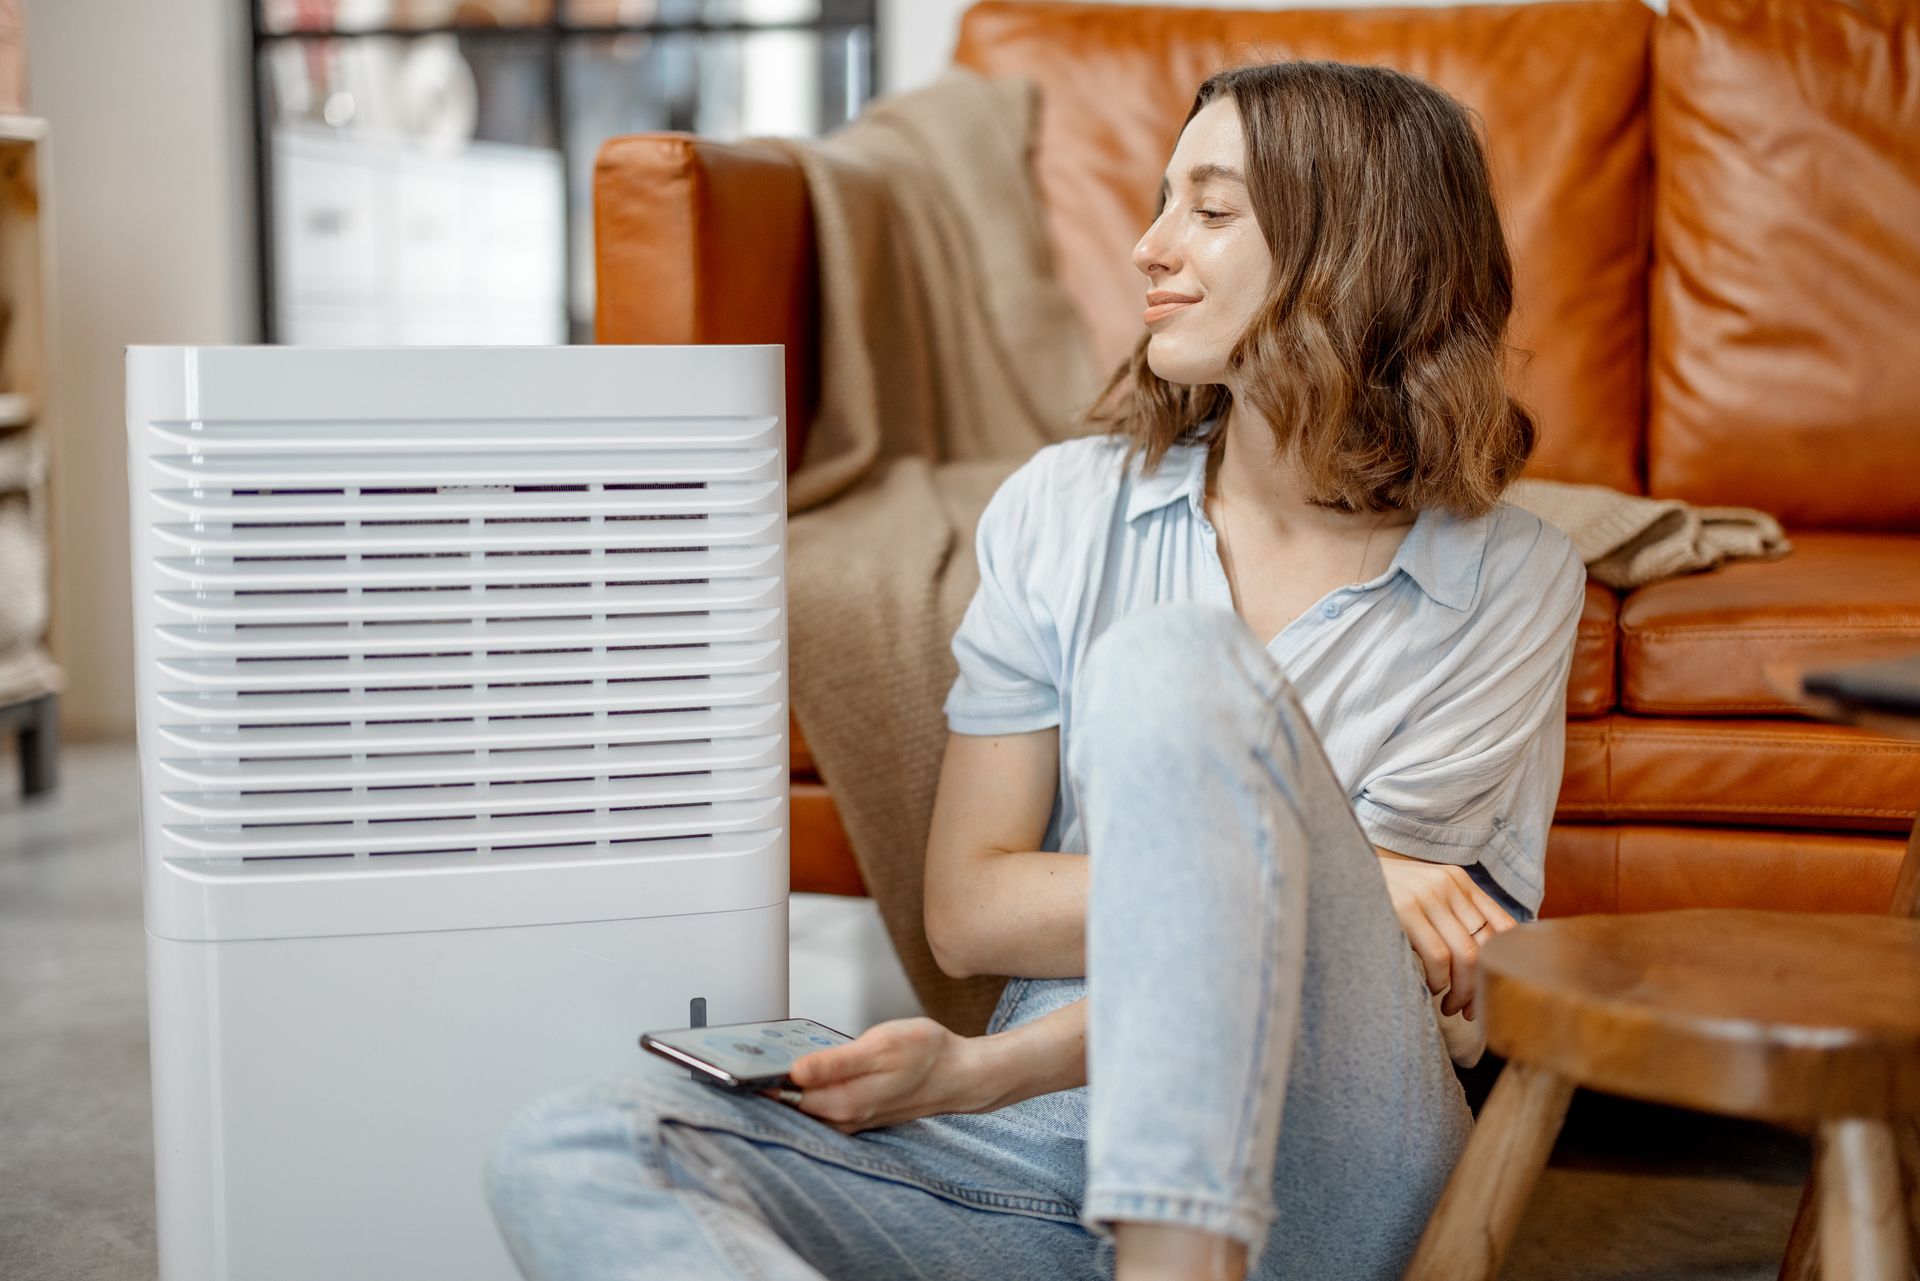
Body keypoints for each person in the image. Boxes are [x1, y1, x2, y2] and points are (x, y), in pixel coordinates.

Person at [484, 60, 1586, 1281]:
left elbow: (1390, 995)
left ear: (1361, 251)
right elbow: (969, 912)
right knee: (573, 1145)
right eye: (1164, 200)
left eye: (1211, 213)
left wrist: (997, 1055)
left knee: (1168, 665)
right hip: (1030, 1154)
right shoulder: (1062, 508)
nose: (1149, 247)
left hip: (1323, 1165)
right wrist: (1348, 877)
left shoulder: (1513, 576)